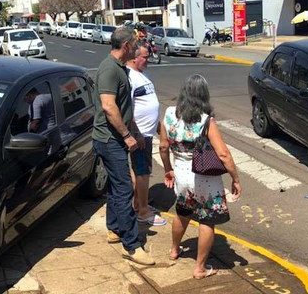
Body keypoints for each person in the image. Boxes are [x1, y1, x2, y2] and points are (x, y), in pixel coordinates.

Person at [159, 74, 242, 279]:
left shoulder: (169, 114)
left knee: (182, 212)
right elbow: (223, 154)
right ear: (204, 96)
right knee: (207, 219)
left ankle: (174, 250)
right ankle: (200, 268)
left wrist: (168, 169)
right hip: (203, 176)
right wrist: (235, 179)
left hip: (180, 172)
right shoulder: (206, 121)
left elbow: (162, 146)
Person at [92, 26, 155, 266]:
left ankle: (114, 229)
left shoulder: (120, 69)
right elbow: (109, 107)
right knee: (123, 189)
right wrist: (127, 135)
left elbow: (125, 106)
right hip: (110, 140)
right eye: (135, 43)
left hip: (116, 137)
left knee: (115, 185)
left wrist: (135, 132)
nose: (139, 48)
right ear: (127, 46)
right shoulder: (110, 70)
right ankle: (132, 245)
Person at [127, 42, 166, 227]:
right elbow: (128, 110)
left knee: (140, 171)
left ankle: (138, 204)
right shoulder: (130, 78)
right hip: (140, 134)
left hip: (147, 133)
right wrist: (137, 133)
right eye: (145, 57)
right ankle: (143, 211)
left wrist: (160, 130)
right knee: (142, 173)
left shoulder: (141, 75)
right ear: (134, 58)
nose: (147, 60)